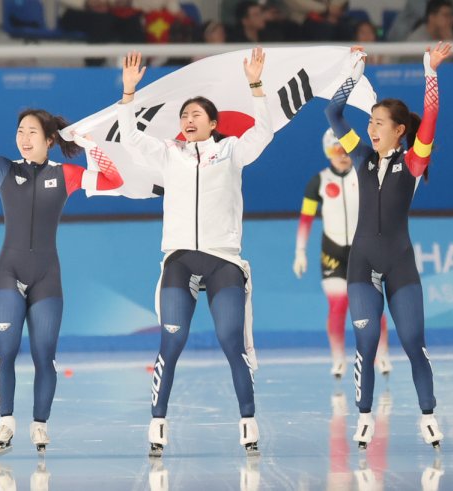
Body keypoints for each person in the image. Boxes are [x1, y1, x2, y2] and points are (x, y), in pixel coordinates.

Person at [0, 68, 124, 456]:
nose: (23, 139)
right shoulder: (3, 169)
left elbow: (113, 179)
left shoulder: (68, 175)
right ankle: (5, 420)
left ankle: (40, 425)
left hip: (47, 278)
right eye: (20, 132)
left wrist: (88, 145)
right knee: (5, 351)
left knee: (45, 356)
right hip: (8, 273)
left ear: (49, 140)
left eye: (32, 133)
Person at [118, 47, 273, 457]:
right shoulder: (169, 155)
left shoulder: (232, 151)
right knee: (172, 340)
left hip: (223, 261)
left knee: (229, 340)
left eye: (196, 115)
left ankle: (248, 421)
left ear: (213, 124)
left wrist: (256, 86)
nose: (188, 121)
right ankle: (157, 423)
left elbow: (265, 132)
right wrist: (129, 94)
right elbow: (131, 139)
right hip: (180, 260)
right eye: (184, 116)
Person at [324, 42, 452, 449]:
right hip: (360, 264)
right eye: (371, 122)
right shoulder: (359, 157)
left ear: (399, 130)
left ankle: (428, 415)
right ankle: (364, 418)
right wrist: (353, 74)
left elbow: (430, 116)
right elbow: (333, 113)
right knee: (364, 342)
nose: (371, 128)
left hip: (400, 265)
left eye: (380, 123)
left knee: (414, 343)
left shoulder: (414, 162)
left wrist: (429, 71)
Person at [293, 130, 391, 380]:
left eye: (346, 150)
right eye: (335, 150)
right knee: (338, 306)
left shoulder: (366, 175)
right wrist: (300, 251)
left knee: (372, 307)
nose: (342, 156)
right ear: (327, 153)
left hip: (364, 251)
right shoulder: (318, 182)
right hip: (333, 253)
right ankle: (338, 358)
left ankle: (382, 355)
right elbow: (306, 219)